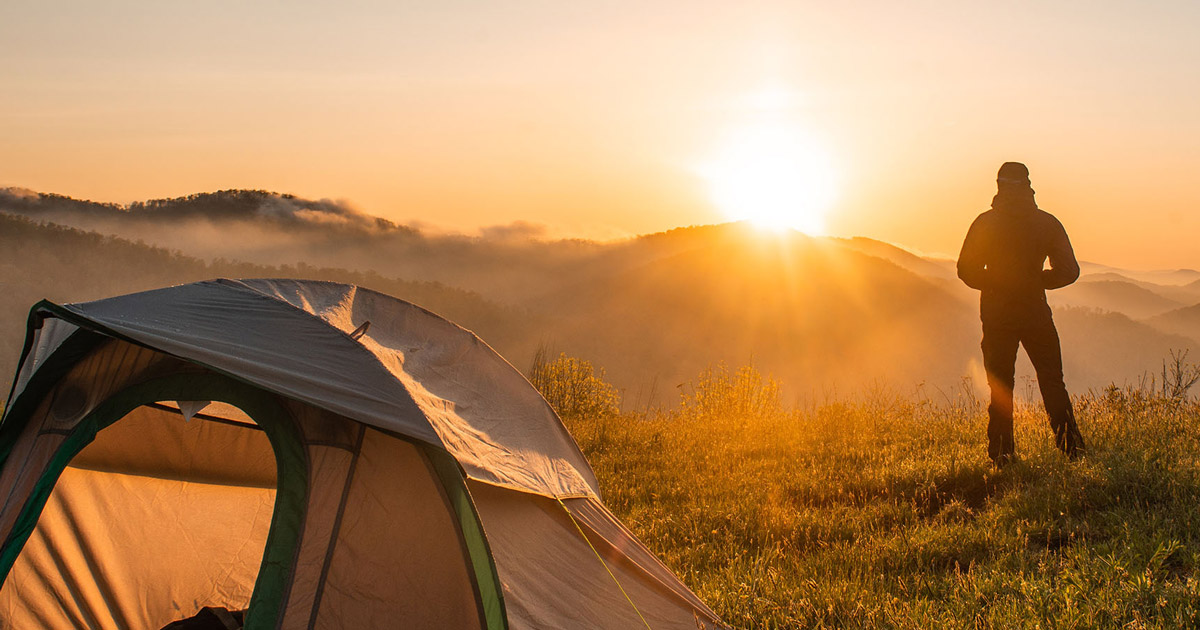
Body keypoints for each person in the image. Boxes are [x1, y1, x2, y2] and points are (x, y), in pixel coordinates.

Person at [957, 162, 1085, 465]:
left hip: (997, 313)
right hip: (1035, 311)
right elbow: (1070, 271)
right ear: (1028, 185)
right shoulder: (1046, 223)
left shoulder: (985, 223)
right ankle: (1072, 450)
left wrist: (996, 282)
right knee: (1052, 380)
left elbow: (966, 270)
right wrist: (1038, 280)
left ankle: (1002, 453)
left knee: (1001, 385)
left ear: (999, 185)